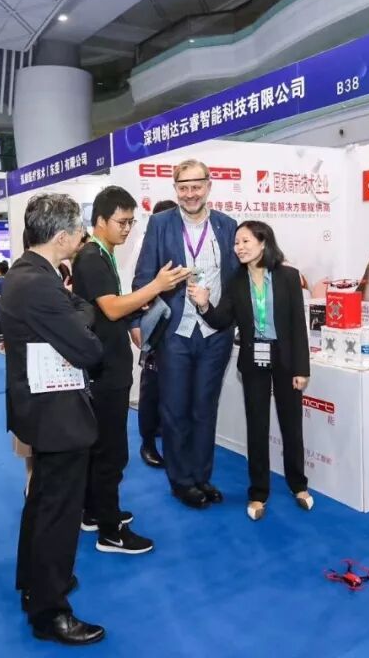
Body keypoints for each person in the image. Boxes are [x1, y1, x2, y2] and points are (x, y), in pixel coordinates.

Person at [2, 193, 106, 645]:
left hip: (42, 412)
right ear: (62, 236)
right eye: (79, 231)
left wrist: (76, 312)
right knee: (58, 513)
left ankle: (36, 582)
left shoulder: (28, 274)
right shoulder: (40, 285)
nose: (82, 238)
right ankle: (50, 610)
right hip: (56, 416)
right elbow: (88, 349)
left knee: (43, 502)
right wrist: (79, 313)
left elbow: (78, 316)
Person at [72, 186, 191, 553]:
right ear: (100, 220)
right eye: (121, 222)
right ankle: (110, 531)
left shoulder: (102, 254)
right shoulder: (92, 257)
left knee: (102, 448)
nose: (126, 229)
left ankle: (94, 512)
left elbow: (109, 309)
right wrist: (156, 286)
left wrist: (137, 314)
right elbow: (111, 308)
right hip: (104, 369)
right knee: (111, 451)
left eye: (130, 222)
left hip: (108, 363)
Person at [132, 158, 239, 509]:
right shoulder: (160, 224)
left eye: (196, 186)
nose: (190, 194)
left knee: (205, 408)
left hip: (215, 333)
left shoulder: (227, 225)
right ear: (175, 188)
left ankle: (201, 477)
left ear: (208, 186)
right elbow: (142, 278)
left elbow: (234, 281)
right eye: (183, 187)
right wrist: (139, 319)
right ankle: (181, 482)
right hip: (175, 332)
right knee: (175, 408)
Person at [188, 221, 312, 522]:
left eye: (245, 241)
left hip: (285, 359)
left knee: (292, 425)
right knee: (256, 427)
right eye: (236, 243)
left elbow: (298, 325)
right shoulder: (236, 281)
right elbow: (221, 320)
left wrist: (302, 368)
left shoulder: (288, 276)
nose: (239, 248)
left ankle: (298, 485)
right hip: (253, 359)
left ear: (263, 242)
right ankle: (258, 492)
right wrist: (204, 305)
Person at [136, 198, 178, 468]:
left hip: (182, 333)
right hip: (156, 332)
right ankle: (148, 442)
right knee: (151, 389)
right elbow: (138, 290)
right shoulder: (149, 252)